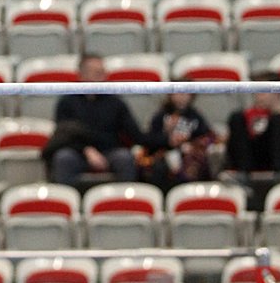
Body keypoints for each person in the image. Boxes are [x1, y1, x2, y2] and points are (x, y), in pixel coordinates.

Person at [45, 54, 169, 187]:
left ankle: (125, 197)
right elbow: (63, 135)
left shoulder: (115, 102)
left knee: (124, 157)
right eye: (96, 72)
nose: (102, 76)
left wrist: (168, 139)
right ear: (82, 75)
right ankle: (66, 197)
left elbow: (136, 135)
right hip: (77, 152)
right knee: (63, 158)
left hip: (110, 151)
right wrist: (86, 150)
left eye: (102, 72)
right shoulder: (67, 102)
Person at [138, 90, 216, 194]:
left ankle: (196, 196)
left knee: (199, 163)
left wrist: (190, 144)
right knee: (160, 167)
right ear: (170, 95)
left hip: (188, 155)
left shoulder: (195, 116)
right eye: (178, 93)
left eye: (185, 93)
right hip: (164, 154)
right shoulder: (161, 116)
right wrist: (168, 139)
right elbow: (149, 139)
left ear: (191, 96)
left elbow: (207, 136)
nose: (181, 97)